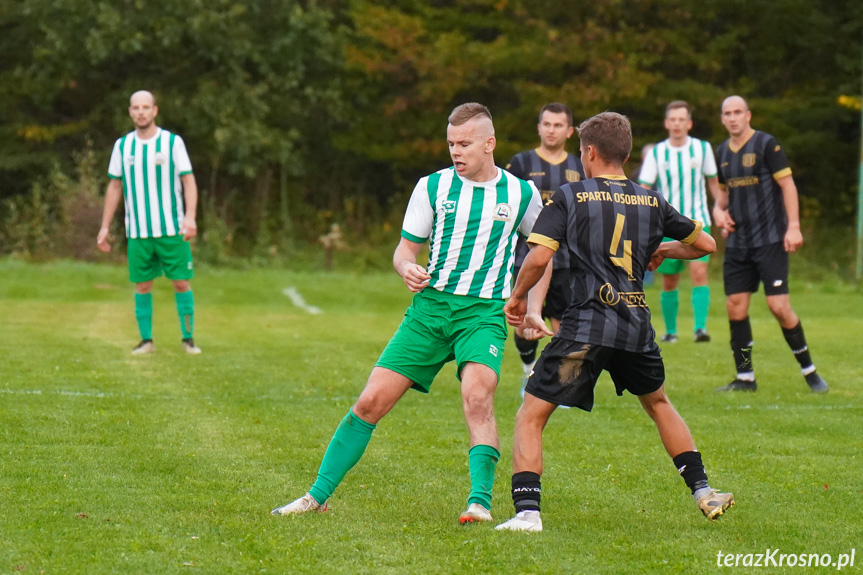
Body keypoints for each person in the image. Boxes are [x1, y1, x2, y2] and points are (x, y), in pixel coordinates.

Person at [271, 103, 543, 524]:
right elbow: (404, 249)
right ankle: (316, 495)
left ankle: (479, 503)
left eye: (465, 143)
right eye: (451, 143)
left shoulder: (521, 193)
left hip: (483, 313)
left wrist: (530, 304)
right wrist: (406, 268)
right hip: (429, 311)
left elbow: (543, 254)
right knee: (369, 402)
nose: (456, 151)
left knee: (477, 394)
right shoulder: (432, 187)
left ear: (489, 144)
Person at [494, 112, 733, 533]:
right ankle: (703, 491)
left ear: (588, 152)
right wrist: (662, 251)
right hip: (636, 326)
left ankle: (528, 514)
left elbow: (539, 256)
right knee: (659, 404)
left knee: (530, 415)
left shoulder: (570, 196)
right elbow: (707, 245)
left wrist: (516, 298)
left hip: (586, 326)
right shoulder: (652, 200)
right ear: (625, 152)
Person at [712, 96, 828, 393]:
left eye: (738, 112)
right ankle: (745, 378)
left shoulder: (766, 145)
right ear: (722, 119)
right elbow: (721, 200)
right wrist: (719, 214)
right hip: (738, 244)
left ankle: (810, 371)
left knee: (778, 306)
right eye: (728, 113)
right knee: (735, 307)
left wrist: (794, 227)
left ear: (748, 115)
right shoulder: (722, 152)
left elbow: (788, 186)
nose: (733, 117)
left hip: (770, 240)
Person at [97, 90, 201, 355]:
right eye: (136, 107)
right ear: (130, 112)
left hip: (171, 229)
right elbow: (114, 186)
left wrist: (189, 217)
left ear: (155, 111)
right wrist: (105, 227)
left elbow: (188, 180)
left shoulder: (171, 142)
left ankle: (188, 339)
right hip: (139, 232)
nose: (141, 112)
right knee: (142, 285)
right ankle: (146, 341)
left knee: (180, 282)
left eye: (146, 107)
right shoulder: (123, 146)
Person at [505, 103, 585, 394]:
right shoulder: (522, 163)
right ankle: (529, 372)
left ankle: (558, 383)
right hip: (528, 257)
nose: (552, 130)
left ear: (569, 131)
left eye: (558, 125)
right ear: (539, 127)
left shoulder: (579, 166)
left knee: (564, 323)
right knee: (525, 321)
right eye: (547, 124)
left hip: (568, 259)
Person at [639, 101, 720, 344]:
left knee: (699, 271)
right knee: (669, 278)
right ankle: (671, 331)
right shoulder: (656, 153)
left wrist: (720, 210)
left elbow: (713, 183)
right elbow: (644, 188)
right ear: (666, 123)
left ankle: (700, 328)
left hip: (697, 220)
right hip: (667, 224)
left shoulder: (703, 149)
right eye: (672, 119)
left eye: (681, 119)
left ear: (689, 123)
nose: (676, 124)